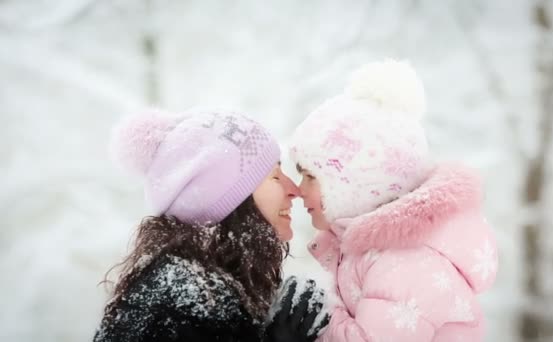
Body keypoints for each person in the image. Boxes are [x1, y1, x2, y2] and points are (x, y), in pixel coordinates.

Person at [289, 60, 498, 341]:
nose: (299, 189)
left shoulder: (405, 261)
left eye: (310, 177)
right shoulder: (372, 252)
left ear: (357, 182)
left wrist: (316, 319)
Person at [93, 108, 328, 342]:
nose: (294, 190)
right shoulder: (184, 301)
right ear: (232, 200)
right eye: (275, 177)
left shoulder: (208, 282)